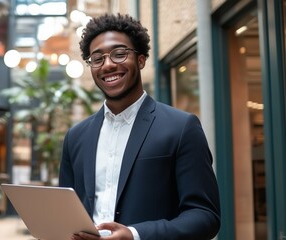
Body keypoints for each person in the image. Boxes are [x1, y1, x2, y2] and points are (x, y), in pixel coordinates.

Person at [58, 13, 220, 240]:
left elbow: (205, 216)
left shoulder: (182, 127)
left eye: (119, 54)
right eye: (97, 58)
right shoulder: (76, 137)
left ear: (141, 60)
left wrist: (135, 235)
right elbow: (66, 212)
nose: (108, 65)